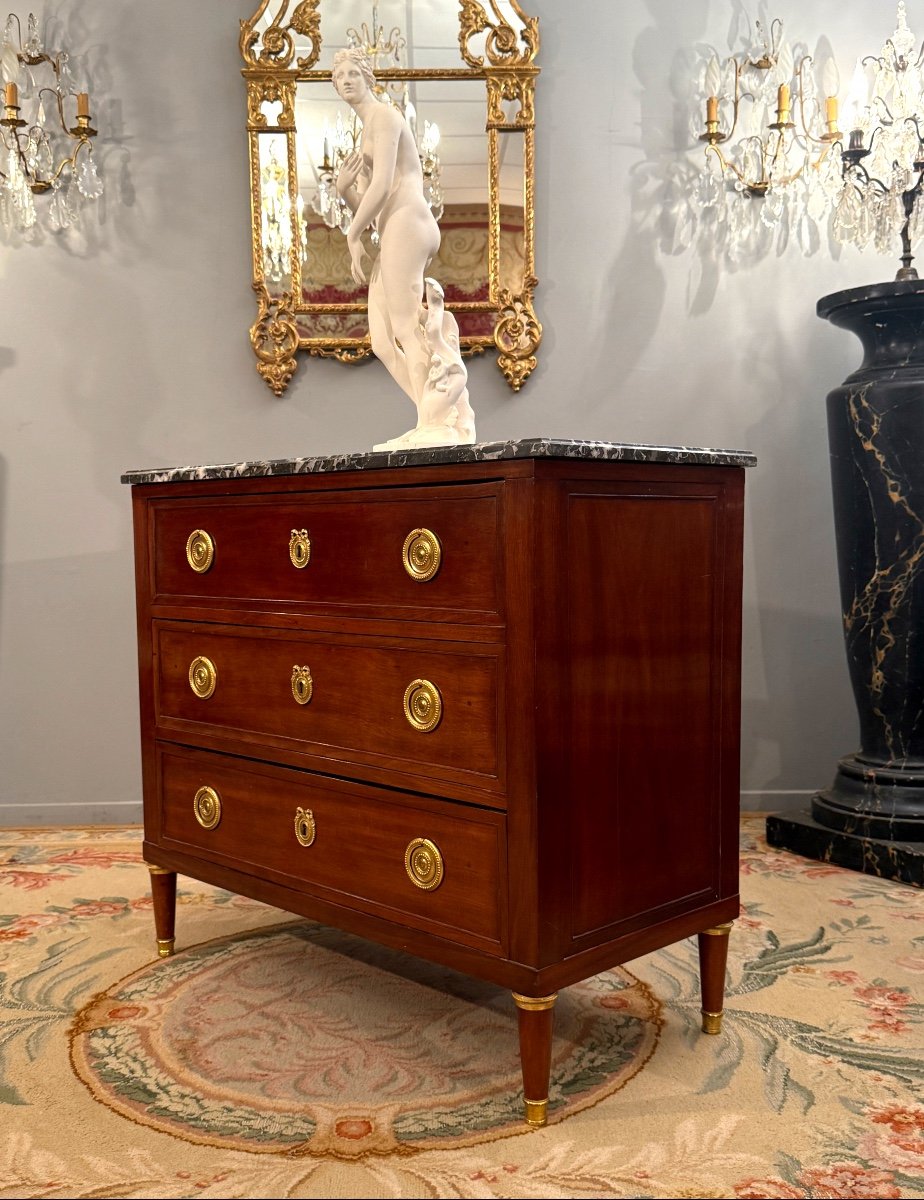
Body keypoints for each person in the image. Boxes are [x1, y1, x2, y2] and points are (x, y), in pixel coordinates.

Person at [332, 47, 474, 449]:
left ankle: (435, 423)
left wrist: (351, 235)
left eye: (353, 74)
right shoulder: (365, 132)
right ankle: (434, 416)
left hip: (410, 221)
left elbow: (382, 190)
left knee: (407, 328)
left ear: (367, 79)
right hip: (393, 226)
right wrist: (344, 194)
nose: (345, 81)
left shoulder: (386, 117)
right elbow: (371, 208)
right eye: (339, 75)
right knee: (381, 340)